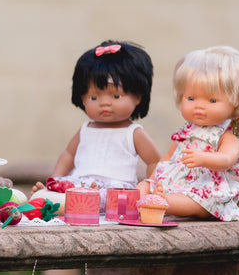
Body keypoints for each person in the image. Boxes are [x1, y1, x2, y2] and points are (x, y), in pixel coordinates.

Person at [33, 40, 161, 205]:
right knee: (69, 193)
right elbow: (69, 155)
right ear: (82, 97)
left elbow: (155, 161)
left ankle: (56, 203)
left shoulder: (133, 132)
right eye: (94, 97)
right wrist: (57, 180)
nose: (104, 103)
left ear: (138, 96)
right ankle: (51, 197)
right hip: (80, 183)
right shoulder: (86, 129)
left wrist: (149, 188)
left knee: (87, 200)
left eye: (116, 96)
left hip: (115, 189)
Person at [138, 45, 239, 220]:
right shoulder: (185, 131)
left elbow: (227, 159)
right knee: (142, 187)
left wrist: (203, 158)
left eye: (212, 100)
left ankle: (166, 202)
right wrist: (154, 178)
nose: (199, 106)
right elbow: (168, 157)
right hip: (173, 181)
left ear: (236, 102)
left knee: (197, 202)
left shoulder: (226, 136)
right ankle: (140, 200)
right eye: (191, 98)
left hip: (203, 187)